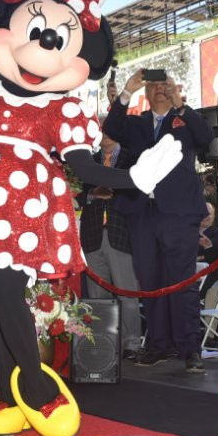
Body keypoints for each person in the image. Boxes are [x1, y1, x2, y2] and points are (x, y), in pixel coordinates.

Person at [0, 0, 182, 436]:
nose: (44, 43)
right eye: (36, 30)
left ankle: (40, 391)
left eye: (59, 37)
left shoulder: (63, 105)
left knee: (3, 291)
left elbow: (82, 166)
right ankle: (9, 397)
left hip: (23, 209)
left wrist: (135, 177)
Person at [106, 65, 212, 373]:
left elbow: (205, 137)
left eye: (164, 85)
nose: (159, 89)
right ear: (147, 93)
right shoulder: (137, 125)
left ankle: (191, 348)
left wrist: (180, 101)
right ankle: (158, 345)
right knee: (150, 281)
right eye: (153, 86)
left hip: (178, 213)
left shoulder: (184, 120)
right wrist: (127, 89)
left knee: (182, 282)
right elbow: (111, 128)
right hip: (143, 214)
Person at [77, 126, 143, 359]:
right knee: (96, 295)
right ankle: (102, 343)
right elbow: (76, 195)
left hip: (120, 233)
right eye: (100, 131)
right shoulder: (86, 162)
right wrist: (92, 194)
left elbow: (139, 192)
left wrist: (115, 190)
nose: (104, 135)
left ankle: (131, 344)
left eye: (109, 130)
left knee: (127, 293)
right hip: (92, 235)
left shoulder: (130, 158)